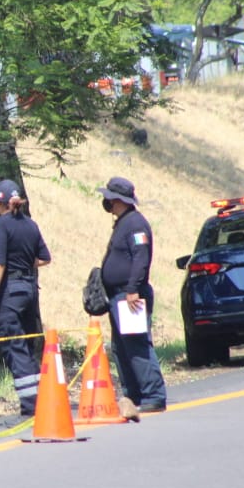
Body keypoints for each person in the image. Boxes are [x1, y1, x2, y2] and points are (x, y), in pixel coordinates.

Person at [97, 176, 167, 417]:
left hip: (130, 296)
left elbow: (141, 258)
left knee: (136, 344)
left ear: (117, 200)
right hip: (119, 296)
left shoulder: (136, 224)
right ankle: (133, 395)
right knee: (121, 348)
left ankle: (153, 395)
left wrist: (132, 289)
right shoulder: (124, 222)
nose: (105, 201)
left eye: (108, 197)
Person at [0, 180, 50, 417]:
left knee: (14, 344)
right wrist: (24, 263)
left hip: (11, 290)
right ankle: (40, 398)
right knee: (27, 345)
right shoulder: (31, 224)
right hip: (29, 289)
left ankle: (31, 404)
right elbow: (44, 257)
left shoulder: (2, 224)